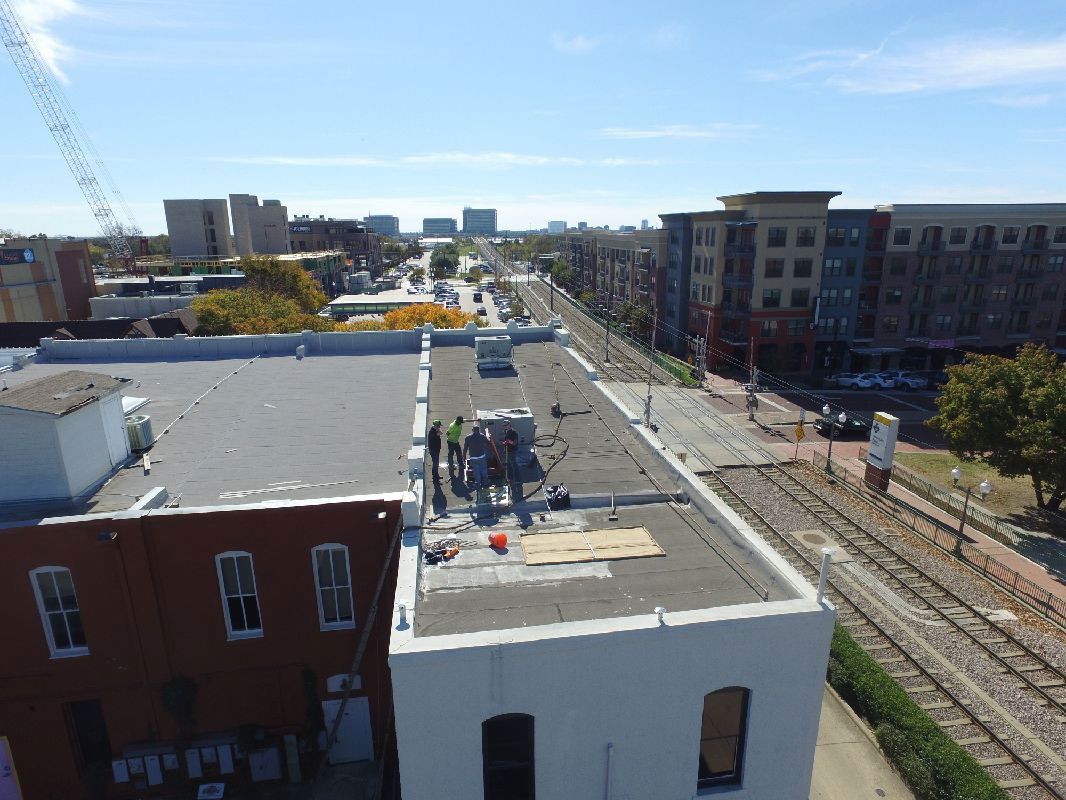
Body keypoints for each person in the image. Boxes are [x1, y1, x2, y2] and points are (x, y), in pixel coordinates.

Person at [463, 423, 490, 496]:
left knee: (476, 471)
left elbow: (465, 448)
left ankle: (478, 483)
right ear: (478, 430)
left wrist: (464, 457)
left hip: (473, 458)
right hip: (481, 456)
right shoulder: (482, 436)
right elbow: (488, 443)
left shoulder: (468, 438)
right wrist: (487, 435)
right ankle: (486, 481)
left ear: (472, 430)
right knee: (484, 469)